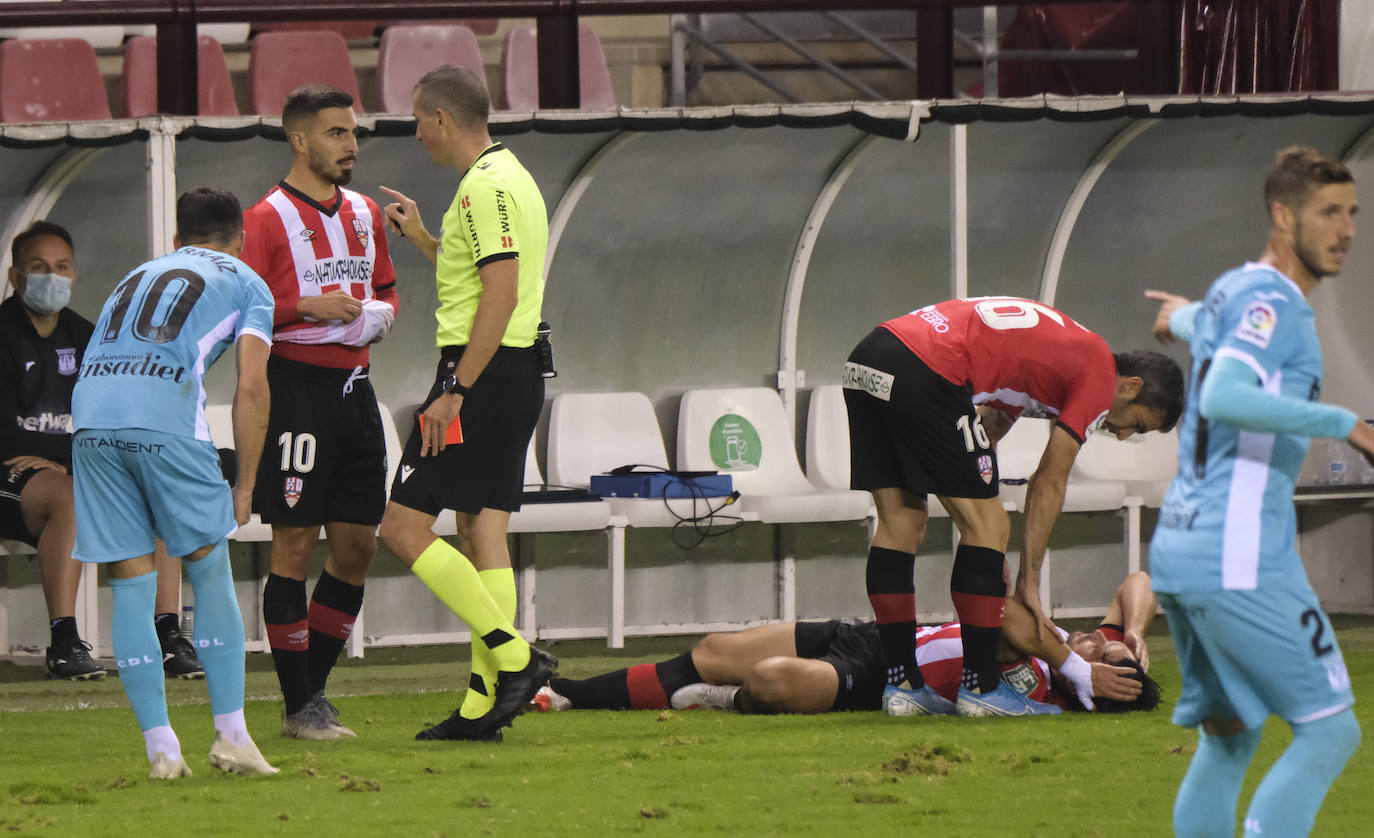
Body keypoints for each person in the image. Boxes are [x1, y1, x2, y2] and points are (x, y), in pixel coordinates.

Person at [1144, 146, 1368, 838]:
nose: (1347, 230)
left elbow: (1201, 328)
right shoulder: (1278, 307)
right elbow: (1225, 393)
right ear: (1281, 216)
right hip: (1238, 557)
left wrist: (1178, 317)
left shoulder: (1236, 289)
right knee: (1330, 732)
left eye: (1353, 213)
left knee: (1232, 734)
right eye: (1328, 212)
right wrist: (1347, 425)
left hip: (1181, 549)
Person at [844, 296, 1184, 717]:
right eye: (1136, 424)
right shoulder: (1099, 375)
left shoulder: (1062, 352)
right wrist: (1029, 580)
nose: (1122, 434)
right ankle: (982, 690)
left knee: (901, 522)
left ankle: (903, 686)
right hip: (928, 365)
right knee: (990, 527)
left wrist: (974, 512)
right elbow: (1049, 479)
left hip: (870, 357)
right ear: (1131, 386)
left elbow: (988, 427)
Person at [70, 187, 277, 779]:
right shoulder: (245, 280)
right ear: (239, 239)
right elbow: (253, 387)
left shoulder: (138, 271)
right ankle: (232, 737)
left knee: (131, 585)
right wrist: (244, 488)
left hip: (91, 420)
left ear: (178, 239)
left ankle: (162, 751)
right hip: (165, 420)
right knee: (209, 569)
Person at [377, 64, 555, 743]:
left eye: (419, 118)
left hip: (479, 377)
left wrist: (454, 391)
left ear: (443, 119)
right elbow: (486, 272)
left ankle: (514, 660)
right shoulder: (511, 177)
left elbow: (500, 295)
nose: (416, 131)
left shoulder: (483, 190)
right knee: (482, 532)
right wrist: (425, 238)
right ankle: (486, 707)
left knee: (399, 527)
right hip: (514, 374)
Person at [239, 84, 399, 740]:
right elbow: (240, 314)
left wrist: (372, 317)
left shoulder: (365, 212)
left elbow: (385, 292)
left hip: (357, 394)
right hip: (296, 392)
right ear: (299, 140)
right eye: (336, 133)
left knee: (358, 546)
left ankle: (311, 695)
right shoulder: (265, 219)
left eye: (353, 133)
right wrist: (306, 308)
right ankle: (300, 703)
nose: (351, 146)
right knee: (295, 545)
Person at [1, 221, 202, 681]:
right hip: (10, 477)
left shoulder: (90, 337)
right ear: (15, 277)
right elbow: (7, 439)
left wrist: (74, 455)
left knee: (156, 488)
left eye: (62, 266)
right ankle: (65, 641)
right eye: (38, 267)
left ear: (73, 275)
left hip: (70, 468)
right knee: (69, 496)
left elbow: (117, 419)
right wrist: (77, 453)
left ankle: (167, 635)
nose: (52, 276)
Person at [536, 572, 1160, 717]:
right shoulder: (1079, 653)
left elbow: (1002, 620)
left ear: (1107, 685)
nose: (1096, 643)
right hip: (874, 640)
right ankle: (563, 694)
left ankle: (723, 702)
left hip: (884, 685)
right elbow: (1139, 582)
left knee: (774, 679)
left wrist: (1071, 666)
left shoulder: (1054, 684)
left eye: (1108, 656)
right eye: (1106, 645)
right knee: (714, 648)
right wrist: (1132, 632)